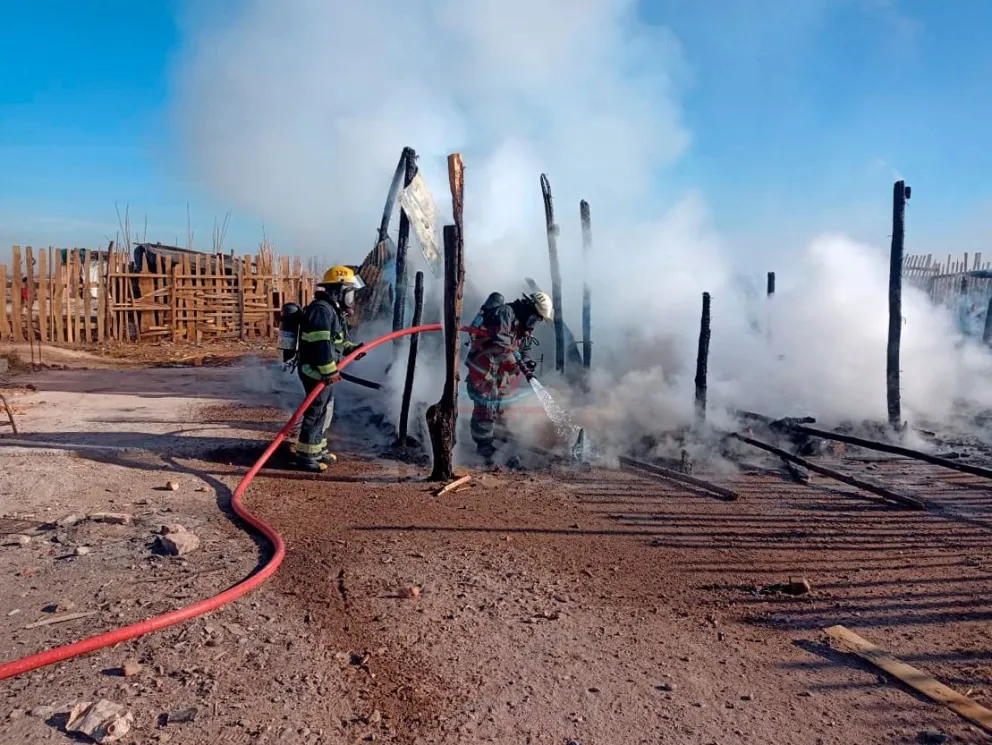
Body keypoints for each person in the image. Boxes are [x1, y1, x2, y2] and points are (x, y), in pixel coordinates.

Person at [465, 290, 553, 463]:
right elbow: (501, 346)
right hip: (483, 367)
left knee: (502, 407)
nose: (533, 324)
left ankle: (498, 440)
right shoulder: (506, 312)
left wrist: (526, 362)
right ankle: (484, 448)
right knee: (486, 405)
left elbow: (522, 350)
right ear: (528, 308)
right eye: (534, 318)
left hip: (500, 373)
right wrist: (517, 364)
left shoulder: (523, 326)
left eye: (537, 321)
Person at [294, 265, 367, 472]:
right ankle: (306, 456)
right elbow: (321, 345)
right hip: (314, 370)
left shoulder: (332, 310)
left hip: (322, 371)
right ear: (340, 291)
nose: (353, 299)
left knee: (325, 410)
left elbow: (337, 341)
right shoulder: (321, 311)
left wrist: (352, 349)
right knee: (316, 410)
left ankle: (318, 448)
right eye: (351, 293)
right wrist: (329, 371)